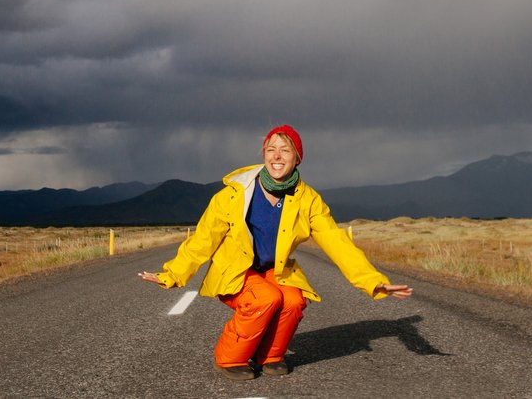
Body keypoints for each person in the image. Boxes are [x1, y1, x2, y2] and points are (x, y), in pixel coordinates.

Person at [139, 124, 412, 380]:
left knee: (293, 300)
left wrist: (372, 281)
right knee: (265, 298)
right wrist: (172, 274)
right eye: (271, 149)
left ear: (297, 158)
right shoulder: (234, 194)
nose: (277, 156)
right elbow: (203, 239)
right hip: (236, 271)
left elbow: (336, 241)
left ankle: (270, 355)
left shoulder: (308, 200)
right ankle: (228, 358)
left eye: (285, 150)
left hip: (273, 270)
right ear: (264, 155)